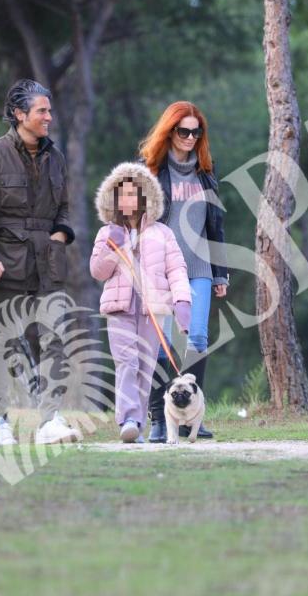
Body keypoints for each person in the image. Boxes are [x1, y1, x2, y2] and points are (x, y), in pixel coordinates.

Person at [0, 79, 80, 446]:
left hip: (49, 262)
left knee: (55, 340)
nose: (49, 116)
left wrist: (61, 235)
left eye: (48, 110)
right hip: (7, 261)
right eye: (41, 111)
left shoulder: (56, 156)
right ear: (19, 115)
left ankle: (50, 420)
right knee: (4, 341)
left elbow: (64, 206)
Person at [138, 101, 229, 443]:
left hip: (199, 266)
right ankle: (161, 420)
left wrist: (220, 273)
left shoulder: (206, 170)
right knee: (161, 343)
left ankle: (192, 418)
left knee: (198, 339)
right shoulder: (149, 168)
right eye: (184, 131)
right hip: (159, 269)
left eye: (196, 131)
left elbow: (215, 224)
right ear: (170, 131)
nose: (190, 137)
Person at [90, 162, 192, 443]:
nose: (127, 200)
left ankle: (137, 422)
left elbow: (177, 269)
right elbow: (98, 272)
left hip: (153, 313)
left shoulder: (163, 234)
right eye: (121, 194)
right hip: (119, 309)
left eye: (133, 194)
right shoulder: (106, 233)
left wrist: (182, 302)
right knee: (127, 362)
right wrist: (113, 246)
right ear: (114, 199)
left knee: (145, 366)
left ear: (145, 196)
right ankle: (129, 419)